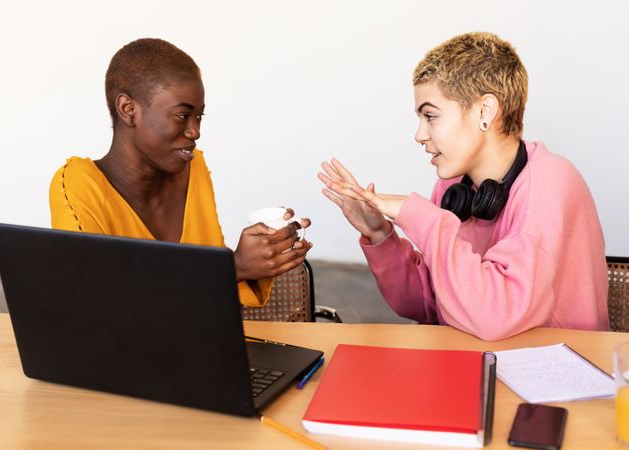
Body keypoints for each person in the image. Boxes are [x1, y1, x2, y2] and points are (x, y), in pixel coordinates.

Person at [318, 32, 608, 340]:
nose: (419, 134)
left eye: (430, 116)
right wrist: (380, 234)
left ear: (484, 111)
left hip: (552, 372)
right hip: (474, 359)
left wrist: (422, 218)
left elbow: (497, 316)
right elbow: (428, 305)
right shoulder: (455, 187)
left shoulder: (550, 183)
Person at [49, 38, 311, 307]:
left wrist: (265, 255)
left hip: (209, 340)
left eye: (199, 117)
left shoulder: (193, 168)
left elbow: (210, 294)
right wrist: (232, 268)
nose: (195, 132)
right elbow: (99, 304)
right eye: (181, 115)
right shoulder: (78, 184)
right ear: (129, 110)